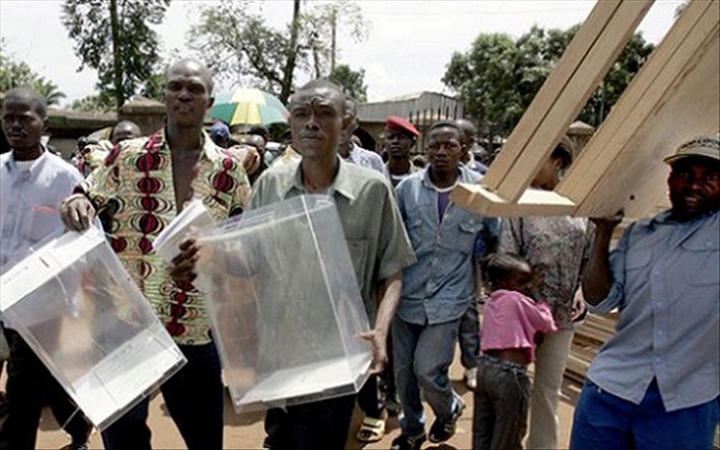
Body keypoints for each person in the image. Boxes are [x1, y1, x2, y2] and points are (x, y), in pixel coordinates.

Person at [174, 78, 416, 450]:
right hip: (280, 353)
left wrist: (381, 331)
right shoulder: (270, 185)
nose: (311, 123)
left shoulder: (372, 191)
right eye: (301, 114)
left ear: (347, 125)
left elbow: (392, 271)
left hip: (338, 356)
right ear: (290, 125)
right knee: (280, 439)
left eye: (324, 114)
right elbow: (248, 262)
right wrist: (208, 255)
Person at [59, 59, 252, 450]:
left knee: (205, 441)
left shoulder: (230, 170)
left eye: (194, 89)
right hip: (126, 324)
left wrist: (213, 254)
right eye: (175, 86)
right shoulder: (126, 157)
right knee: (124, 440)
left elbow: (244, 248)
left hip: (196, 327)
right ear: (164, 95)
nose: (184, 94)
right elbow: (84, 197)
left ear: (209, 101)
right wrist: (74, 205)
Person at [570, 135, 720, 450]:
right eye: (685, 175)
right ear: (670, 180)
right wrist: (603, 233)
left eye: (710, 177)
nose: (695, 185)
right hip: (611, 391)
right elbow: (598, 301)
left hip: (683, 404)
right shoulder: (640, 235)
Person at [392, 120, 500, 450]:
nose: (440, 152)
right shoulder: (407, 190)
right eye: (435, 145)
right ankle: (412, 429)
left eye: (449, 146)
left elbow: (494, 238)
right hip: (407, 294)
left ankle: (449, 406)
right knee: (404, 374)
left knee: (427, 369)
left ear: (463, 149)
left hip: (450, 297)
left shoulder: (480, 191)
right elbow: (392, 241)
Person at [0, 87, 92, 450]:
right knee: (50, 382)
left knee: (21, 397)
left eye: (26, 118)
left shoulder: (64, 179)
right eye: (9, 117)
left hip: (42, 310)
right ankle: (79, 428)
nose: (16, 125)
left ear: (45, 123)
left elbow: (86, 244)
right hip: (2, 309)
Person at [499, 137, 592, 450]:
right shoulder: (519, 205)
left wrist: (581, 290)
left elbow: (590, 259)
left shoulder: (580, 204)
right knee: (512, 387)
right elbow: (507, 259)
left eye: (539, 156)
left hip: (564, 316)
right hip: (524, 316)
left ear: (558, 161)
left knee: (547, 390)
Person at [473, 253, 557, 449]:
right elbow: (546, 322)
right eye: (522, 282)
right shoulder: (516, 300)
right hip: (510, 375)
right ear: (503, 282)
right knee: (508, 436)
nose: (527, 286)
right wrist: (537, 294)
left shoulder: (491, 301)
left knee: (483, 431)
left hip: (485, 370)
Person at [339, 98, 386, 175]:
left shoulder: (373, 161)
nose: (341, 125)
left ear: (356, 123)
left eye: (347, 119)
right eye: (335, 118)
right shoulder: (314, 161)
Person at [385, 116, 420, 187]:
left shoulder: (421, 178)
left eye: (401, 137)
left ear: (412, 143)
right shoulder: (375, 175)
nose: (395, 141)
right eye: (390, 137)